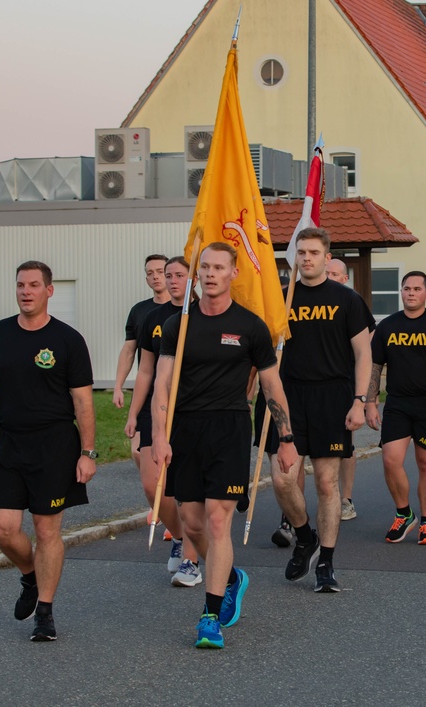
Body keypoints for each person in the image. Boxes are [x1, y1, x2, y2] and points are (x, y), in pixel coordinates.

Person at [152, 242, 298, 649]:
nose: (211, 273)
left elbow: (272, 385)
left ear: (234, 273)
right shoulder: (177, 325)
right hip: (185, 430)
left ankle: (210, 615)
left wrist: (285, 438)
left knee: (219, 522)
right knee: (193, 523)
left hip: (229, 430)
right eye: (206, 267)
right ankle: (231, 575)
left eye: (219, 267)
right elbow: (162, 385)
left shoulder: (251, 327)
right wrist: (159, 436)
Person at [0, 260, 97, 642]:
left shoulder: (68, 340)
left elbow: (84, 402)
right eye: (21, 285)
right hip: (8, 441)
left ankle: (46, 613)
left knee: (46, 528)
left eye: (34, 285)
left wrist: (88, 452)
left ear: (49, 290)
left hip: (54, 444)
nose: (26, 291)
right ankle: (30, 576)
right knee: (3, 528)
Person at [260, 229, 372, 592]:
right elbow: (261, 356)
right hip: (288, 397)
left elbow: (363, 354)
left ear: (327, 257)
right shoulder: (280, 300)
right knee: (282, 479)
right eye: (301, 253)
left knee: (327, 483)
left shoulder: (347, 299)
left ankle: (326, 561)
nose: (306, 258)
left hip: (332, 396)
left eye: (313, 252)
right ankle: (304, 535)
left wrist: (360, 400)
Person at [365, 272, 426, 545]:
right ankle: (404, 513)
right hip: (397, 404)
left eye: (417, 289)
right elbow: (375, 367)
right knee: (390, 459)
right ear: (401, 292)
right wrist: (370, 402)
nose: (411, 293)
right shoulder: (387, 326)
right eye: (406, 288)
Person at [124, 256, 200, 586]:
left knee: (190, 489)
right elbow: (145, 370)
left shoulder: (203, 315)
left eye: (178, 275)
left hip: (194, 408)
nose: (171, 280)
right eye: (167, 275)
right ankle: (180, 534)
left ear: (192, 279)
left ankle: (191, 561)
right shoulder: (153, 318)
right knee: (152, 483)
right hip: (155, 407)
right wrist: (132, 412)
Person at [325, 257, 376, 521]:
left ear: (345, 278)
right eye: (328, 273)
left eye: (336, 274)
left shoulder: (352, 302)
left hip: (345, 383)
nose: (331, 277)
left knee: (346, 445)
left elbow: (366, 351)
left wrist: (364, 398)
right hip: (313, 386)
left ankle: (345, 498)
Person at [113, 255, 169, 477]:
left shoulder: (187, 309)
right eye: (149, 273)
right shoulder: (139, 311)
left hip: (178, 392)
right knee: (138, 452)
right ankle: (155, 494)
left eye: (159, 271)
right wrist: (118, 386)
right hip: (148, 390)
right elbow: (128, 351)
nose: (155, 277)